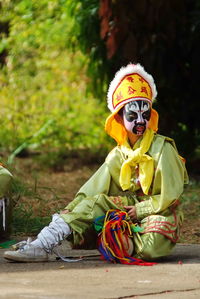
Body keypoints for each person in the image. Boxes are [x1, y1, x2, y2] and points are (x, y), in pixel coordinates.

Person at [4, 63, 188, 263]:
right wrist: (72, 208)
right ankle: (43, 244)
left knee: (149, 248)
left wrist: (142, 210)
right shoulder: (118, 155)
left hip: (161, 211)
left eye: (145, 114)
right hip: (130, 210)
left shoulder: (163, 148)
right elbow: (92, 190)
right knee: (95, 204)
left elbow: (171, 195)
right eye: (132, 116)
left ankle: (113, 239)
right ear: (119, 117)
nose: (140, 121)